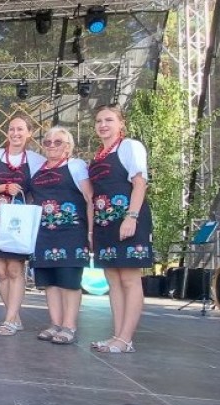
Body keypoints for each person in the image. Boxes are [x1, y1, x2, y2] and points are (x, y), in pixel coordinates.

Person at [88, 104, 152, 354]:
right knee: (113, 280)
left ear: (121, 124)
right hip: (105, 223)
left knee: (129, 278)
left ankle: (125, 339)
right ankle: (117, 336)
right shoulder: (99, 155)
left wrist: (131, 217)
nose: (103, 125)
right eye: (99, 121)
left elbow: (140, 183)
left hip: (127, 219)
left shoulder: (129, 147)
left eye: (109, 120)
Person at [0, 114, 45, 336]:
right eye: (12, 129)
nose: (15, 133)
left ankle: (10, 319)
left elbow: (38, 191)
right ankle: (13, 317)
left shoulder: (35, 160)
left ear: (29, 133)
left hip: (18, 221)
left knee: (15, 269)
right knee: (0, 271)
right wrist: (5, 188)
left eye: (20, 129)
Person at [30, 126, 93, 345]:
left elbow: (90, 199)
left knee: (69, 281)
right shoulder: (37, 169)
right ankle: (55, 324)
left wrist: (91, 231)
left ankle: (69, 326)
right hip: (43, 233)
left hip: (71, 232)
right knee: (50, 282)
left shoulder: (76, 166)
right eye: (47, 142)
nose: (51, 146)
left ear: (68, 146)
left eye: (57, 142)